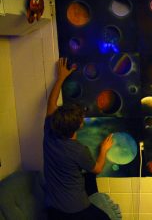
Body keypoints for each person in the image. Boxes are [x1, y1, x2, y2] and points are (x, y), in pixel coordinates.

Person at [44, 58, 114, 220]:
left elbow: (51, 102)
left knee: (87, 179)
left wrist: (61, 77)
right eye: (81, 120)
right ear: (78, 127)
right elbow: (96, 168)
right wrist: (103, 150)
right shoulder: (78, 150)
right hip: (75, 211)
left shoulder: (49, 130)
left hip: (53, 208)